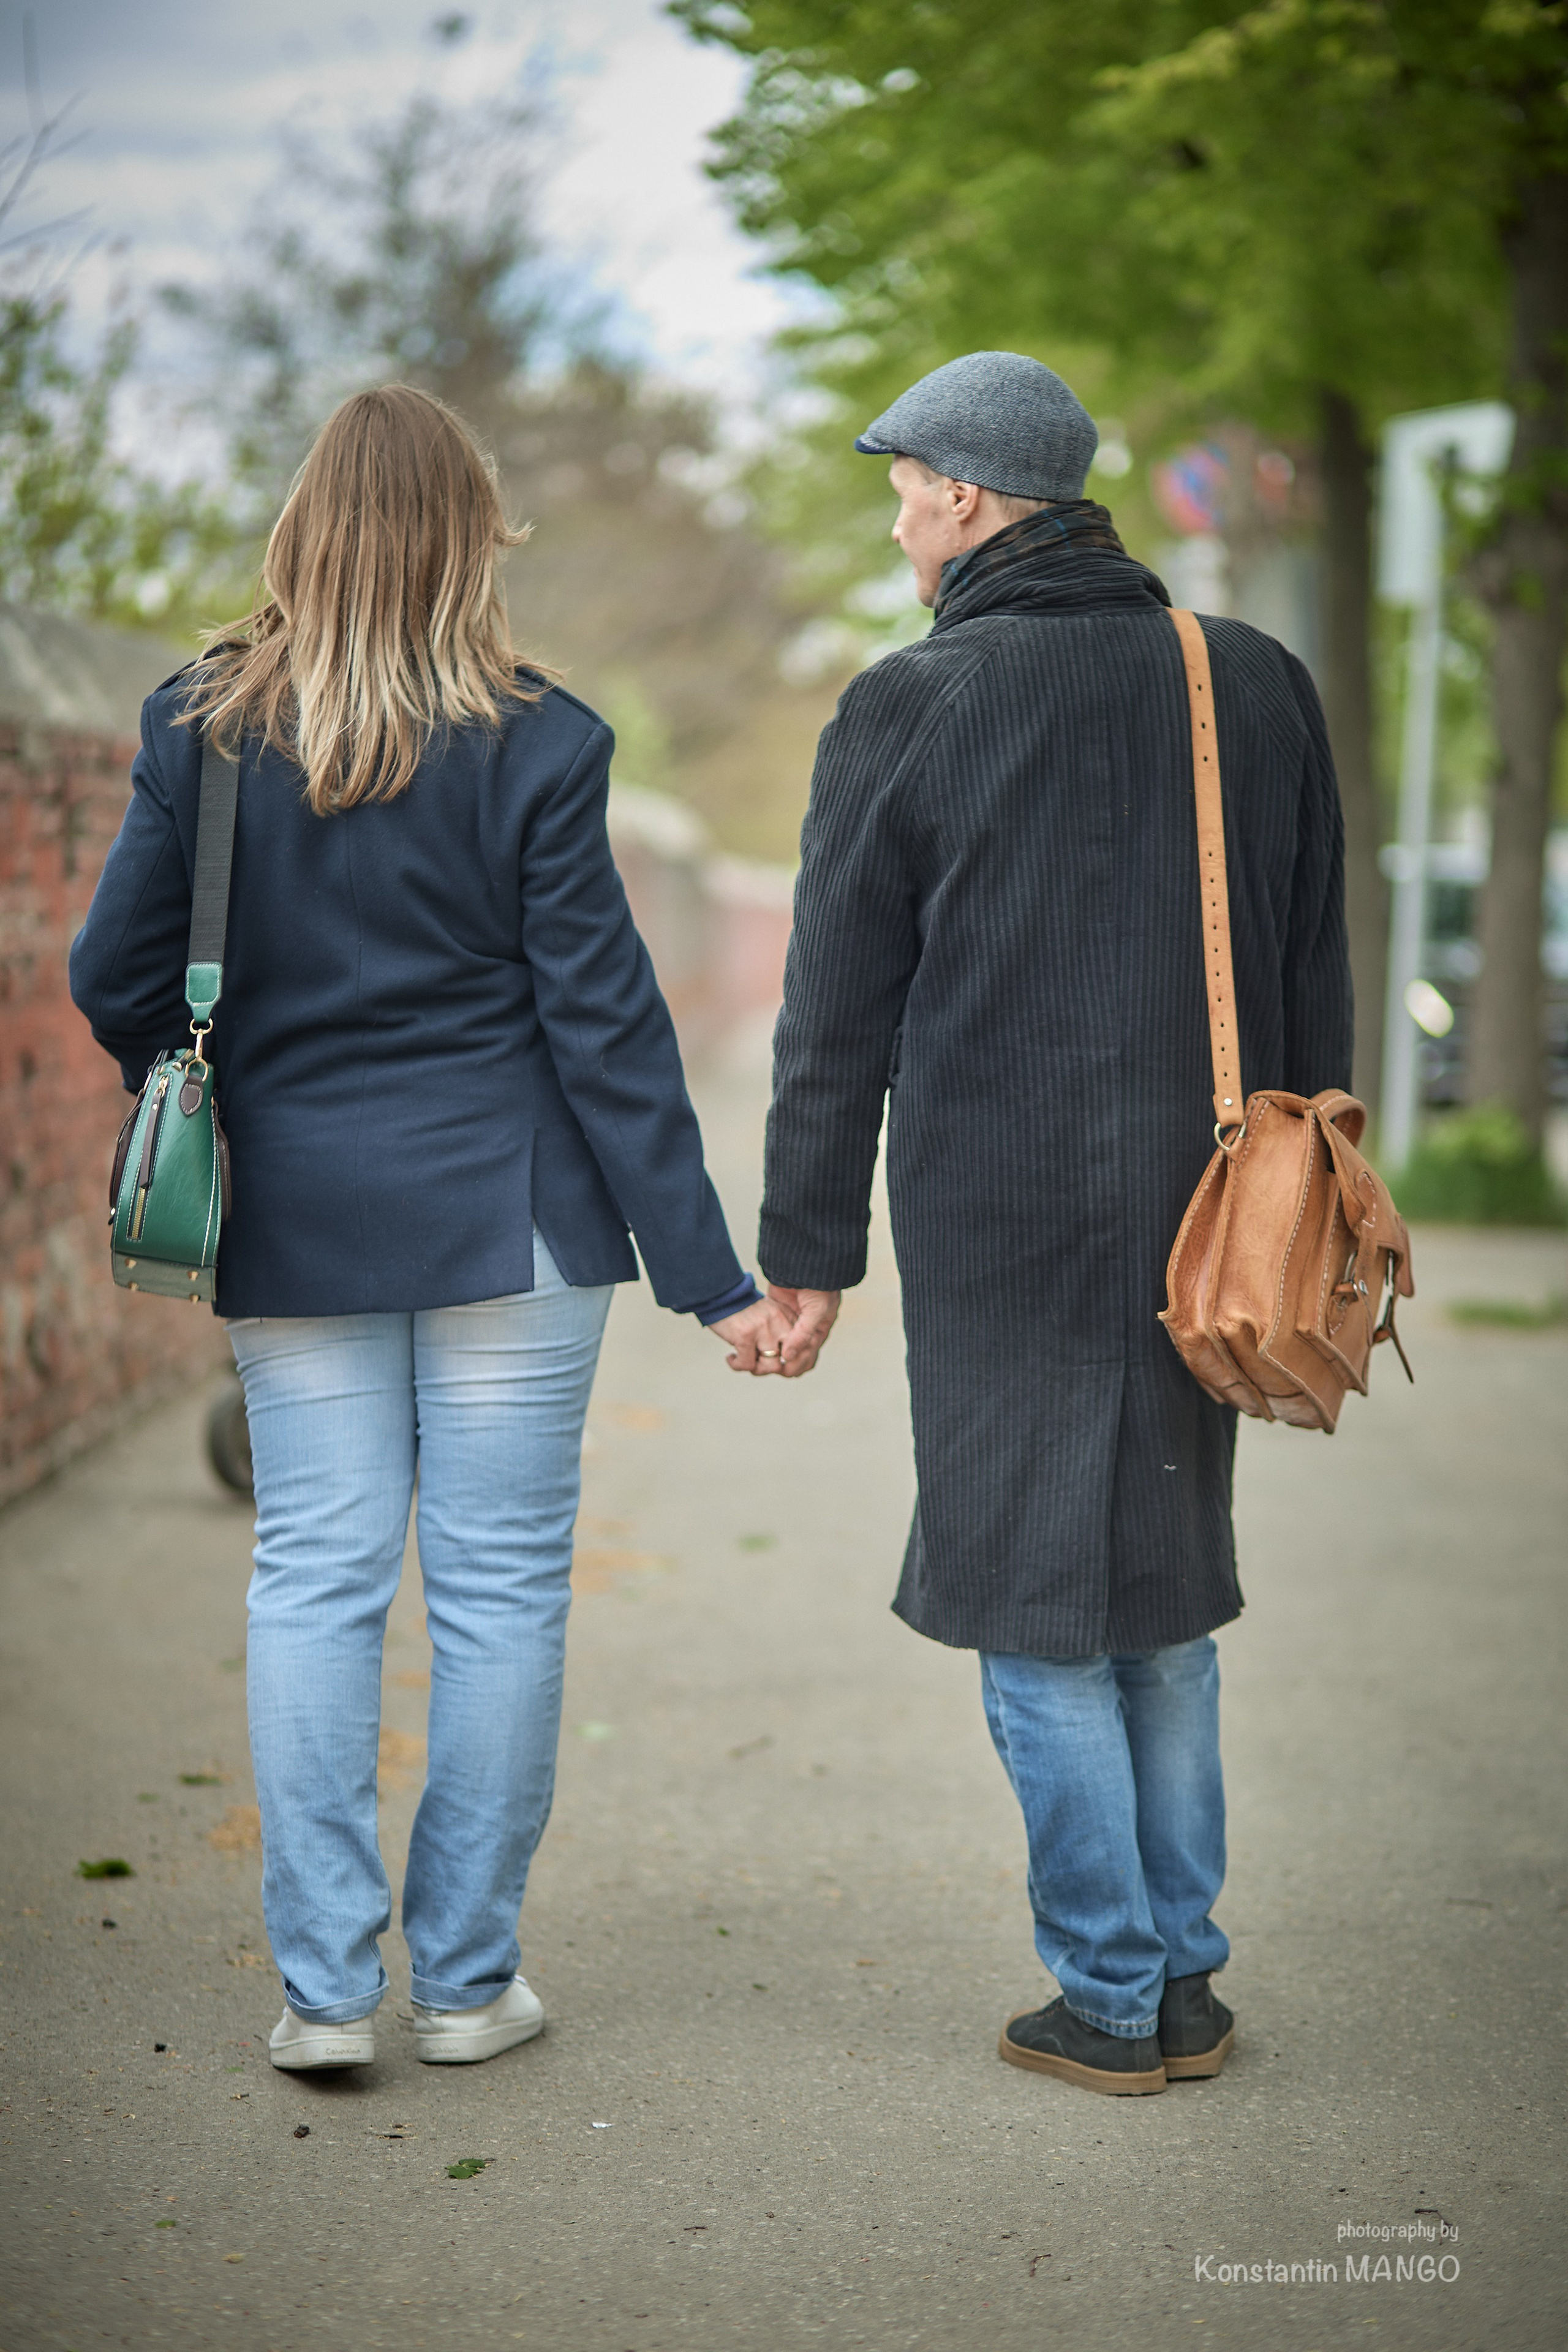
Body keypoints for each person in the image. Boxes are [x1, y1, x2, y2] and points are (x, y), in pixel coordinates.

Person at [70, 385, 791, 2071]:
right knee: (499, 1595)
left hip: (296, 1205)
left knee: (314, 1578)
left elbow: (114, 975)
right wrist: (712, 1277)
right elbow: (608, 1031)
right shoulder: (543, 738)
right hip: (514, 1218)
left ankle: (326, 1995)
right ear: (475, 541)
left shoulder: (205, 727)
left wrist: (216, 1082)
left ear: (301, 530)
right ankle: (466, 1985)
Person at [758, 352, 1351, 2095]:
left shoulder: (911, 704)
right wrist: (1296, 1200)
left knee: (1032, 1598)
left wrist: (808, 1255)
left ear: (961, 494)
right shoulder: (1249, 680)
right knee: (1157, 1594)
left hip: (1003, 1225)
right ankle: (1184, 1975)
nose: (893, 513)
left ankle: (1108, 2001)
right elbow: (1312, 957)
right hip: (1215, 1213)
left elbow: (832, 1020)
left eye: (900, 483)